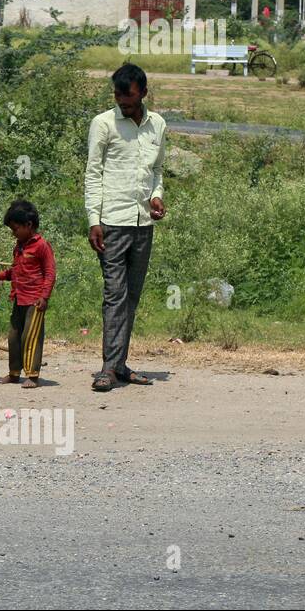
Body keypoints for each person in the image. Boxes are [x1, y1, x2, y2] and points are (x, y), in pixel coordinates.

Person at [85, 63, 167, 392]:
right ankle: (108, 368)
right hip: (112, 223)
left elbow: (157, 170)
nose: (124, 104)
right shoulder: (102, 124)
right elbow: (93, 173)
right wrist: (94, 219)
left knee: (131, 297)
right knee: (114, 295)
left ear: (144, 93)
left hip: (143, 224)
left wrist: (157, 197)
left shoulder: (157, 125)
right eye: (120, 99)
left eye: (130, 99)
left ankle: (118, 364)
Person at [0, 200, 56, 388]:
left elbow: (50, 272)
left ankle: (32, 374)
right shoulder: (19, 246)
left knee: (30, 337)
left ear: (29, 225)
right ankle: (14, 373)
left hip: (35, 300)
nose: (14, 233)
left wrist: (44, 297)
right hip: (19, 297)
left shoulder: (42, 246)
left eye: (16, 229)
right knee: (14, 337)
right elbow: (14, 271)